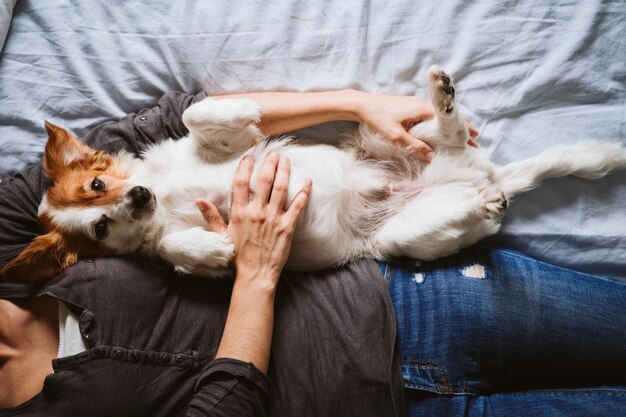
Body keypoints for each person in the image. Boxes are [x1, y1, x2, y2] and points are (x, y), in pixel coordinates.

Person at [0, 90, 624, 417]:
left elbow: (164, 122)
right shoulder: (134, 246)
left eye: (101, 191)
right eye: (100, 222)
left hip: (417, 295)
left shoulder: (27, 221)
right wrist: (254, 271)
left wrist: (356, 104)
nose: (117, 204)